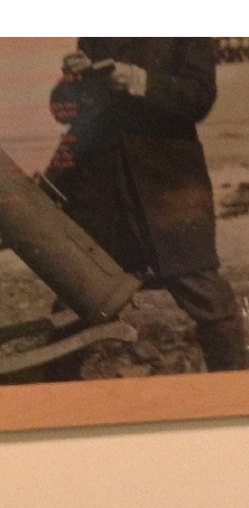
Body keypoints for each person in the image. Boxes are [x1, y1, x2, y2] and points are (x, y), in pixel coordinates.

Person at [45, 38, 246, 371]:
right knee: (77, 294)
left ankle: (237, 393)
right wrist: (72, 81)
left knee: (204, 292)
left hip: (166, 185)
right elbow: (63, 112)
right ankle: (54, 404)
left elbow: (199, 97)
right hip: (101, 188)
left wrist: (139, 81)